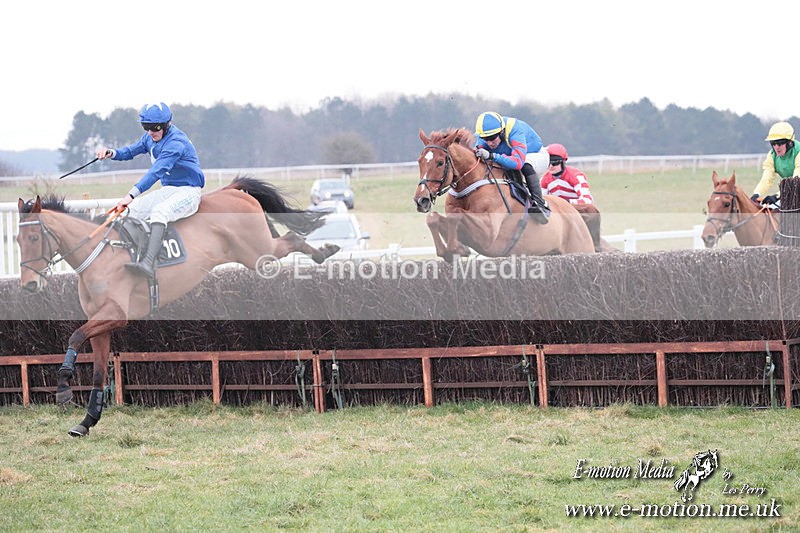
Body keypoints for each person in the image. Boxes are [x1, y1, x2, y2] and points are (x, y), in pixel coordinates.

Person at [96, 102, 205, 278]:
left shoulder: (176, 143)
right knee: (131, 211)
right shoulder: (150, 137)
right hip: (169, 190)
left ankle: (148, 262)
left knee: (160, 212)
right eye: (145, 127)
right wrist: (112, 152)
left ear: (166, 125)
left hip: (188, 191)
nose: (150, 132)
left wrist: (130, 195)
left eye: (153, 128)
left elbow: (156, 172)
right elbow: (130, 151)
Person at [474, 112, 550, 224]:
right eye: (485, 139)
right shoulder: (484, 135)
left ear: (502, 132)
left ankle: (540, 204)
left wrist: (491, 155)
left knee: (525, 164)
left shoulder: (515, 130)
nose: (489, 142)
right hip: (512, 157)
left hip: (536, 155)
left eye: (492, 138)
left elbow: (518, 163)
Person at [751, 121, 800, 206]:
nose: (776, 147)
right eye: (773, 143)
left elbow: (796, 180)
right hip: (792, 191)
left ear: (790, 142)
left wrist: (777, 196)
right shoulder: (772, 155)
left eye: (780, 143)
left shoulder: (798, 152)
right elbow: (767, 179)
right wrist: (757, 194)